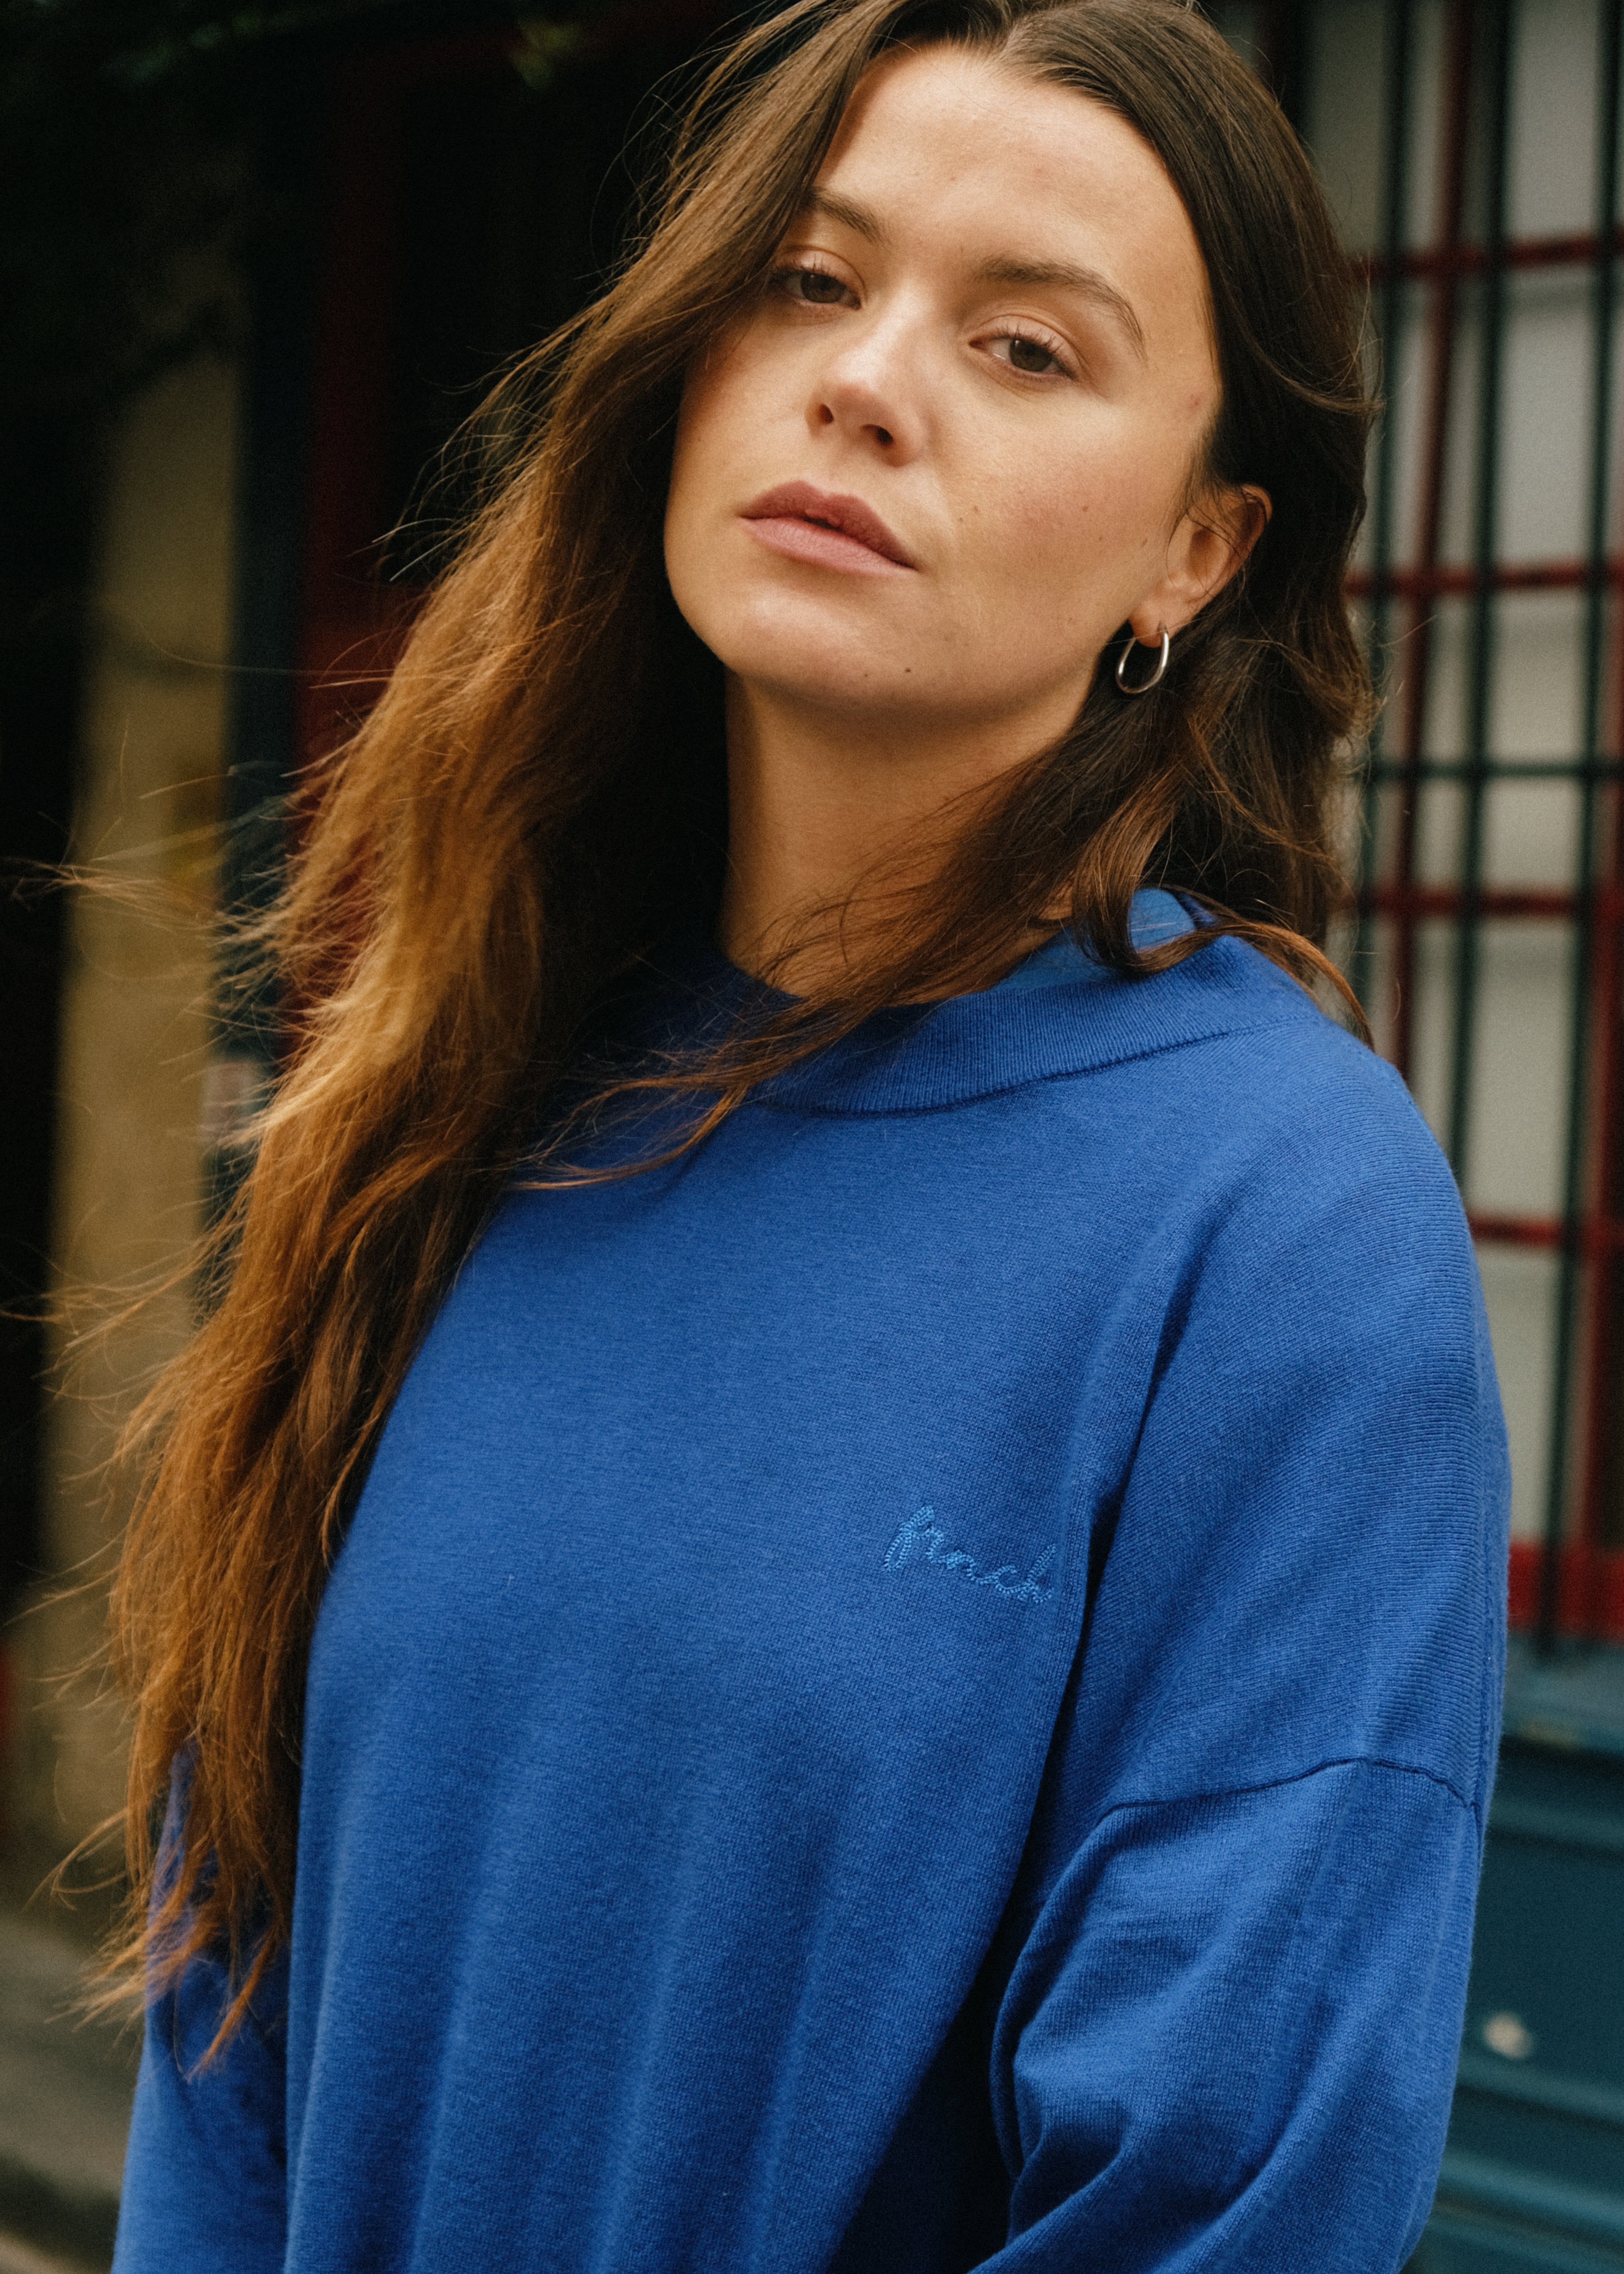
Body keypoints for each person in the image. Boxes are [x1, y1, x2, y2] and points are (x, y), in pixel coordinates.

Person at [110, 0, 1509, 2267]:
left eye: (1028, 347)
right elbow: (230, 1991)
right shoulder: (456, 1090)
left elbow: (1215, 2200)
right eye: (809, 278)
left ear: (1197, 549)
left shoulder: (1279, 1220)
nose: (864, 379)